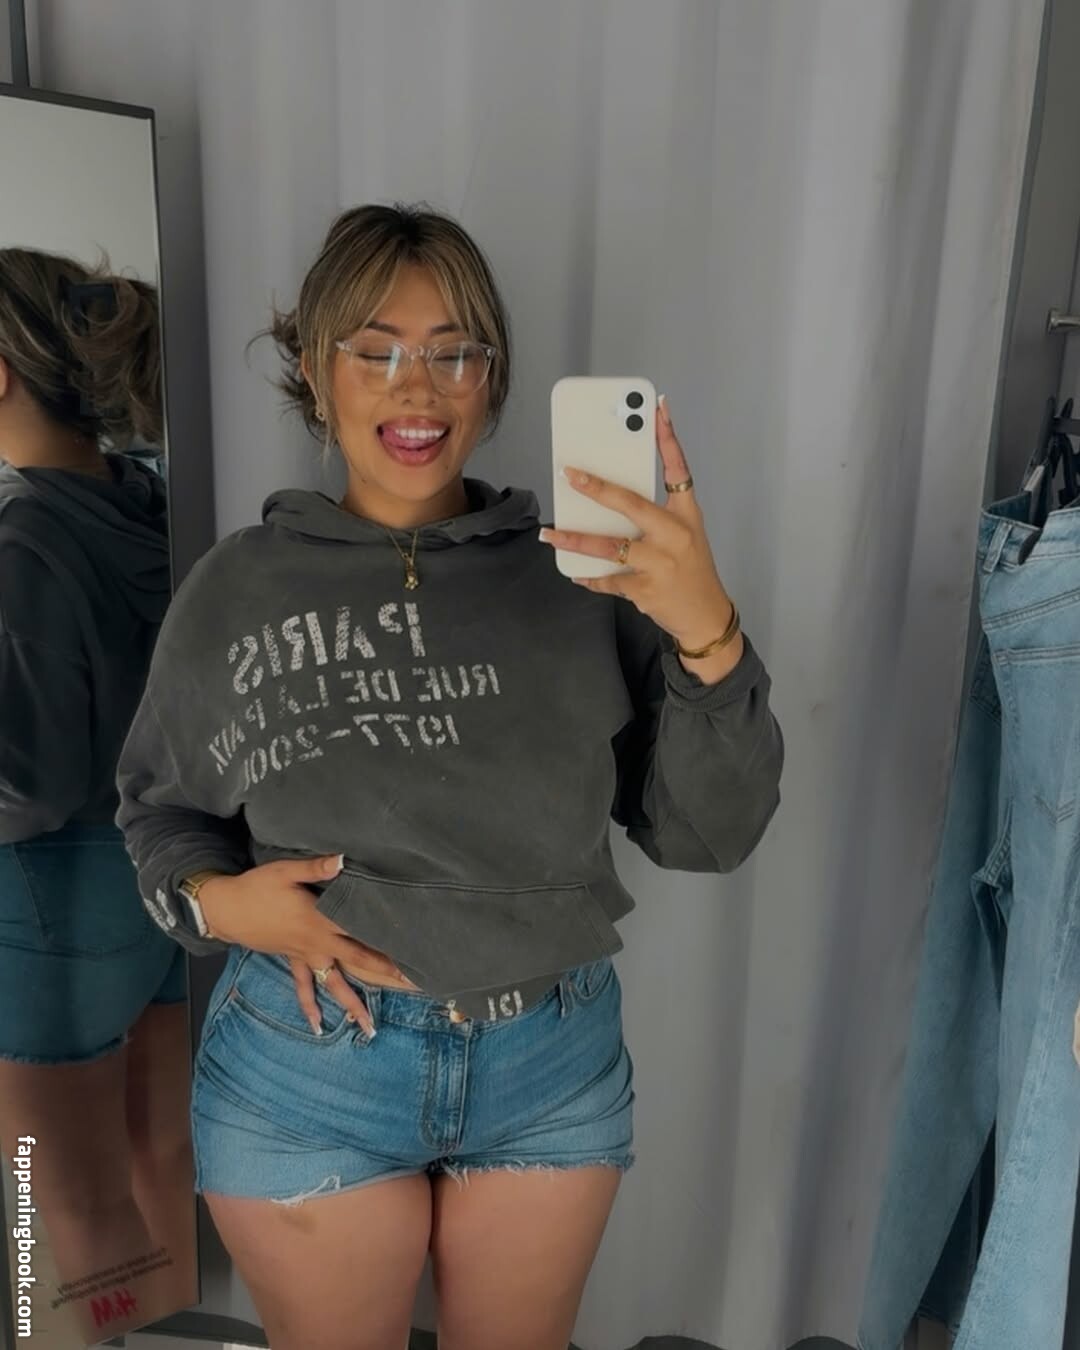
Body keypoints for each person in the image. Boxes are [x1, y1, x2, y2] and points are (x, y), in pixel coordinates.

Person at [116, 203, 784, 1350]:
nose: (415, 389)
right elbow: (160, 814)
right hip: (309, 1070)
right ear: (317, 372)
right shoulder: (236, 591)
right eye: (374, 352)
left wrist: (707, 635)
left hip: (548, 1065)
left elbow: (706, 835)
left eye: (452, 352)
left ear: (492, 376)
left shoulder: (589, 578)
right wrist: (218, 906)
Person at [0, 247, 195, 1337]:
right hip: (156, 886)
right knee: (159, 1157)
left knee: (57, 1200)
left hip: (50, 910)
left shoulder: (21, 532)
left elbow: (22, 783)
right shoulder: (150, 497)